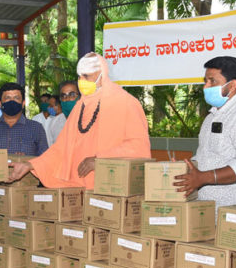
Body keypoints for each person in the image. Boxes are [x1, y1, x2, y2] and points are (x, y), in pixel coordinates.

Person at [9, 53, 151, 188]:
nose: (82, 81)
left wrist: (100, 159)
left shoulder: (126, 103)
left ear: (102, 76)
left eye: (87, 76)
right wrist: (30, 165)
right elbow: (60, 148)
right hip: (78, 190)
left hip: (111, 188)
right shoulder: (80, 107)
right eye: (79, 76)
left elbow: (138, 146)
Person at [174, 56, 236, 210]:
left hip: (233, 209)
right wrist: (187, 167)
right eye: (205, 81)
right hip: (206, 208)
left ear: (232, 85)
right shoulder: (211, 117)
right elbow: (206, 155)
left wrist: (204, 177)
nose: (205, 87)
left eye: (212, 81)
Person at [0, 82, 48, 156]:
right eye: (7, 98)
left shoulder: (36, 128)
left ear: (23, 103)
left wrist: (27, 161)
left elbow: (45, 159)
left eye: (16, 98)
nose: (12, 101)